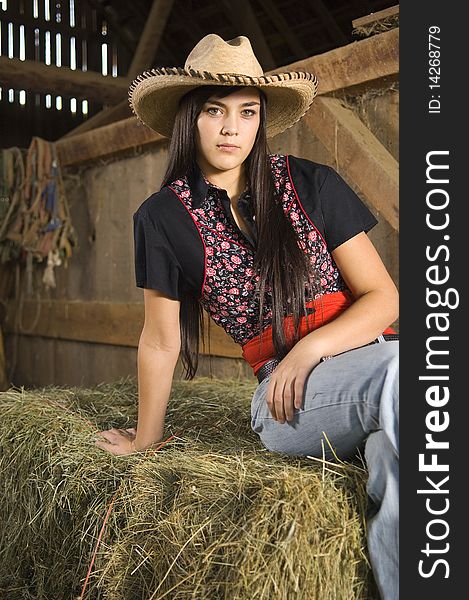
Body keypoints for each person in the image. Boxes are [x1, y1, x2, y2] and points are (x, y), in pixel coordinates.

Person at [95, 34, 399, 599]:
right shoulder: (162, 218)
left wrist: (309, 349)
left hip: (364, 363)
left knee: (396, 455)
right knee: (413, 369)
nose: (232, 128)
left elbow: (383, 298)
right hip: (288, 400)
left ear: (262, 121)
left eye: (247, 112)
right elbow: (161, 342)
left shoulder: (312, 183)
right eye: (216, 111)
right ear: (191, 119)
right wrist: (146, 439)